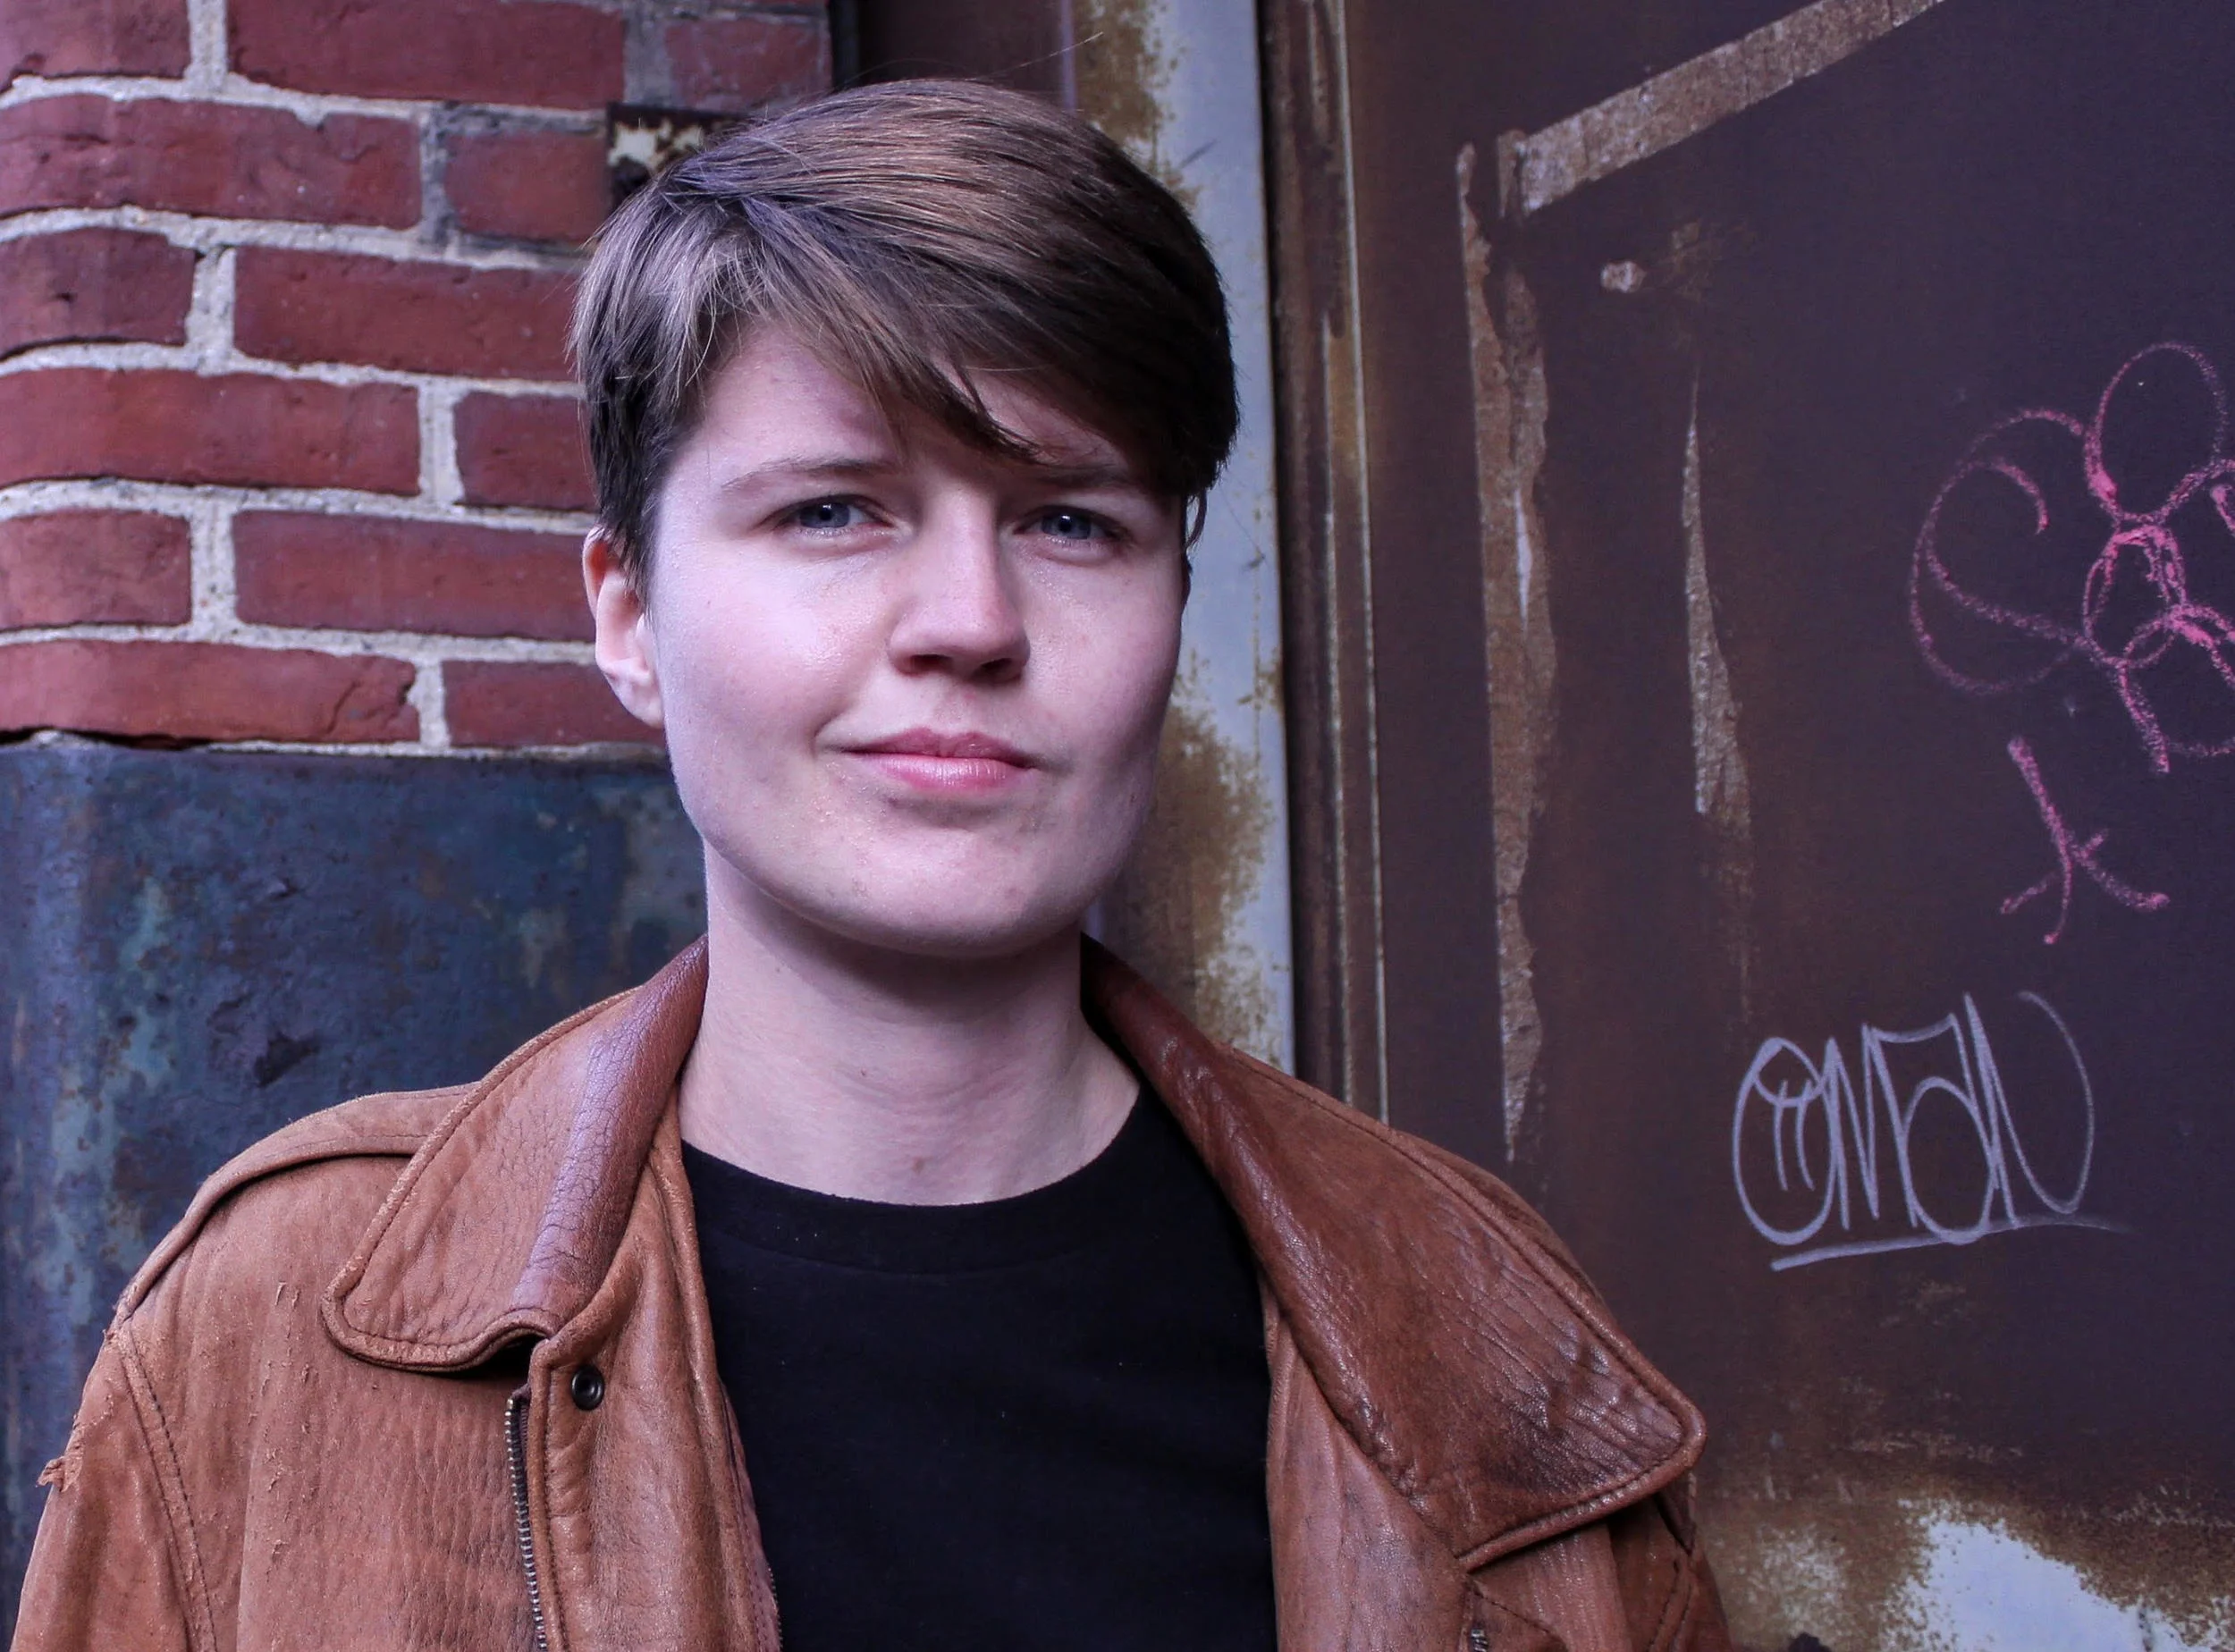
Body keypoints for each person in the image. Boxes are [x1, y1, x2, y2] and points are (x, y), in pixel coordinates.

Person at [13, 80, 1732, 1651]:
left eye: (1072, 520)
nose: (971, 622)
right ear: (628, 615)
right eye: (833, 510)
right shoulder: (277, 1336)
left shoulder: (1474, 1335)